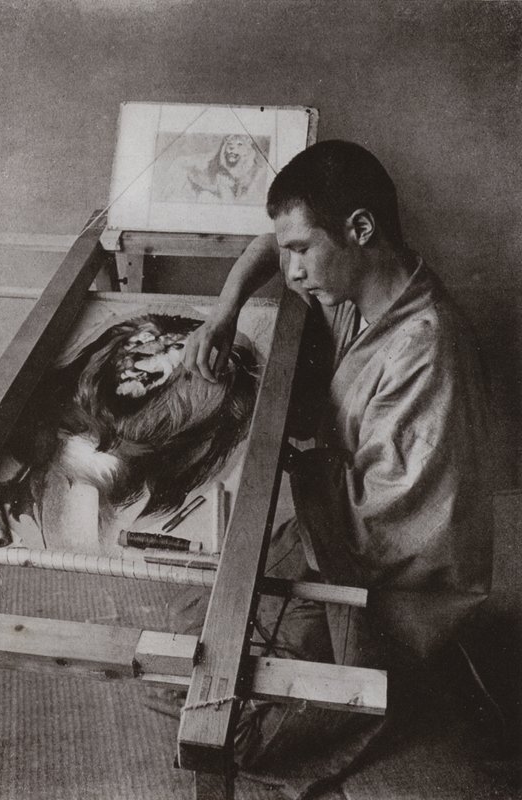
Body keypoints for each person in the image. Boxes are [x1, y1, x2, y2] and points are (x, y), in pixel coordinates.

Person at [172, 140, 494, 793]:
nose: (291, 271)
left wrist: (284, 463)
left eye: (302, 251)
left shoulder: (427, 351)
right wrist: (224, 313)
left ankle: (415, 685)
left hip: (395, 585)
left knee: (233, 726)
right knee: (191, 640)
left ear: (361, 228)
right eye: (288, 251)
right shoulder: (361, 283)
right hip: (337, 528)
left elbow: (392, 529)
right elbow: (270, 244)